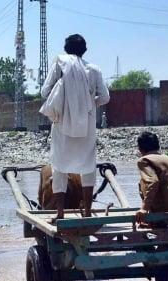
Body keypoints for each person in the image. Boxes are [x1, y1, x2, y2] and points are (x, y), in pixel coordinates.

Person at [40, 34, 110, 221]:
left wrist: (65, 100)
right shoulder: (94, 69)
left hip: (62, 124)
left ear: (66, 49)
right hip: (87, 125)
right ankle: (87, 211)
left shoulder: (60, 64)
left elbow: (45, 92)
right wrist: (87, 103)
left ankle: (60, 213)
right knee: (88, 167)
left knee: (59, 167)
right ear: (84, 50)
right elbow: (105, 98)